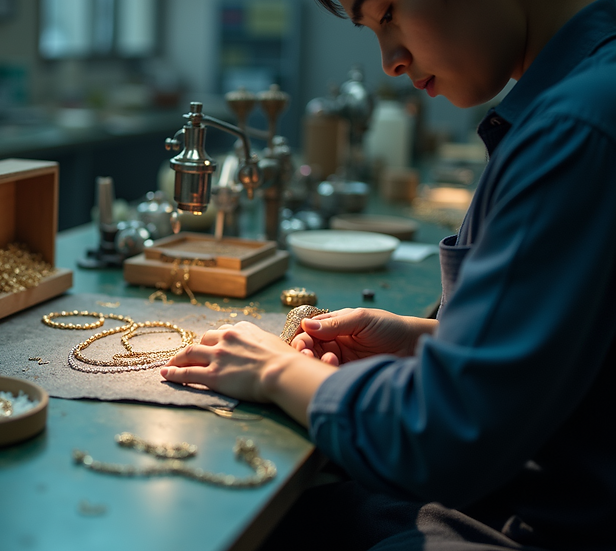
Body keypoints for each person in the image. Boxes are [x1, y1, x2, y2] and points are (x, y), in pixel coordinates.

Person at [161, 0, 616, 549]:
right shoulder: (580, 97)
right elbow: (571, 351)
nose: (390, 61)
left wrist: (275, 371)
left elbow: (444, 436)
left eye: (388, 12)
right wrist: (427, 343)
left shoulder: (574, 127)